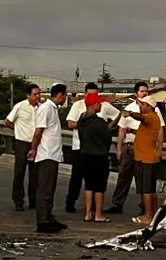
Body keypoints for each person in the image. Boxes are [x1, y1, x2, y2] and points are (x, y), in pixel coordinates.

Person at [65, 82, 119, 214]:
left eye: (95, 95)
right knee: (77, 176)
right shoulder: (78, 106)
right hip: (80, 146)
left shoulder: (104, 107)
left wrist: (109, 127)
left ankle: (92, 207)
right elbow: (70, 123)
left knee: (94, 180)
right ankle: (71, 202)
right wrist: (87, 127)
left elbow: (118, 115)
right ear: (85, 94)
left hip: (98, 149)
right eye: (90, 94)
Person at [108, 81, 153, 217]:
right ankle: (117, 204)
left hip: (143, 148)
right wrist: (119, 148)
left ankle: (144, 206)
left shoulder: (151, 109)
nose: (144, 93)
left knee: (142, 179)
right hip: (129, 146)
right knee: (123, 176)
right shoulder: (129, 108)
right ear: (136, 93)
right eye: (141, 91)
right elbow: (122, 130)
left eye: (146, 91)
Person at [121, 94, 164, 225]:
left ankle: (148, 215)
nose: (140, 107)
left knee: (146, 189)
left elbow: (140, 117)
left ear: (149, 107)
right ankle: (154, 215)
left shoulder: (150, 117)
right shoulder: (153, 118)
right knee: (150, 189)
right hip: (149, 157)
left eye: (142, 105)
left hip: (147, 159)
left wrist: (130, 113)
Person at [31, 84, 69, 233]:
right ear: (60, 95)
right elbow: (38, 131)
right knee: (45, 188)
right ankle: (43, 220)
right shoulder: (46, 108)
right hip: (46, 153)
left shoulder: (53, 108)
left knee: (50, 188)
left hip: (53, 153)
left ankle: (48, 216)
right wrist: (34, 149)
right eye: (65, 95)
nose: (65, 98)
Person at [76, 93, 114, 223]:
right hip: (99, 156)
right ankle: (98, 214)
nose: (101, 104)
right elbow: (107, 139)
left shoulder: (81, 120)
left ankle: (88, 213)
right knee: (99, 187)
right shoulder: (99, 122)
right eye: (99, 103)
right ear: (93, 105)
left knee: (89, 185)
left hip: (85, 154)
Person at [4, 84, 42, 211]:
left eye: (39, 94)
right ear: (28, 95)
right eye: (35, 94)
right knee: (19, 172)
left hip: (36, 143)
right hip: (22, 142)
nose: (38, 96)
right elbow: (8, 121)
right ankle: (18, 200)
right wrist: (17, 130)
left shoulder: (42, 108)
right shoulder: (20, 106)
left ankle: (33, 199)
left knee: (35, 173)